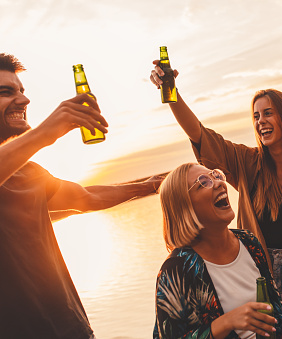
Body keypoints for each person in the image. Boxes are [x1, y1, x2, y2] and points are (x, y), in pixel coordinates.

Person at [150, 10, 282, 338]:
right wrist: (171, 92)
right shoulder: (246, 163)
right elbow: (199, 133)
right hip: (257, 268)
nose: (260, 121)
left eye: (268, 113)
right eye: (256, 116)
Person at [0, 53, 164, 339]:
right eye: (6, 92)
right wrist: (44, 133)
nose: (25, 101)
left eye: (23, 92)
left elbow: (86, 197)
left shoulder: (29, 173)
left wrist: (150, 185)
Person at [153, 162, 282, 339]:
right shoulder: (176, 270)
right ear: (184, 207)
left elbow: (275, 307)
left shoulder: (248, 241)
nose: (218, 183)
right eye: (203, 182)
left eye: (216, 175)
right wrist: (224, 323)